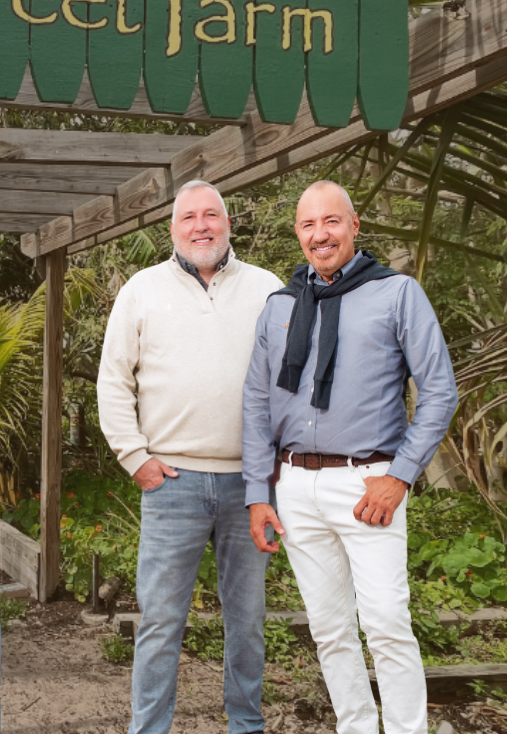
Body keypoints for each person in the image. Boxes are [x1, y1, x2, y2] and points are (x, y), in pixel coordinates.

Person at [243, 181, 458, 734]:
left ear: (354, 225)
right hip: (294, 487)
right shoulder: (280, 306)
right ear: (298, 233)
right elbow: (257, 404)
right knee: (330, 628)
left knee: (386, 622)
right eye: (309, 225)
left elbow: (439, 392)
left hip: (369, 487)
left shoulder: (397, 294)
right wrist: (257, 496)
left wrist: (400, 477)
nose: (321, 235)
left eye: (331, 222)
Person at [99, 180, 283, 734]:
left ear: (228, 224)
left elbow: (287, 383)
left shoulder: (268, 289)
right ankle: (148, 729)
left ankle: (245, 725)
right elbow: (113, 381)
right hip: (171, 483)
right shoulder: (141, 289)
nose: (201, 226)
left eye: (212, 216)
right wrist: (135, 457)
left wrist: (274, 470)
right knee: (159, 621)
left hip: (249, 489)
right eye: (188, 218)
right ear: (172, 228)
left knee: (247, 621)